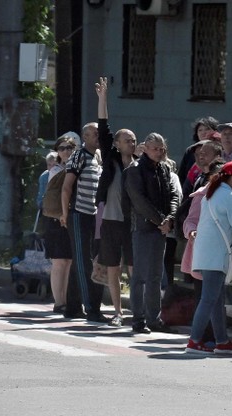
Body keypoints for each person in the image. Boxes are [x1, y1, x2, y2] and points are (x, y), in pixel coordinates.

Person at [185, 161, 232, 354]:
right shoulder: (231, 196)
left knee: (214, 298)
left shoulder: (210, 194)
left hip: (205, 252)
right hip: (218, 254)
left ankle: (222, 340)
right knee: (209, 299)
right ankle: (194, 340)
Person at [122, 133, 180, 334]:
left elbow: (173, 195)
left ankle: (153, 318)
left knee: (155, 276)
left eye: (162, 149)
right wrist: (160, 220)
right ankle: (138, 319)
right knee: (140, 276)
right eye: (155, 148)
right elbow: (139, 201)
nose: (159, 152)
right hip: (143, 228)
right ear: (145, 148)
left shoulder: (164, 168)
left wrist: (170, 218)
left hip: (160, 228)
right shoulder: (134, 170)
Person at [94, 77, 136, 327]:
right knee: (112, 267)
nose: (131, 143)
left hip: (131, 222)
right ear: (117, 143)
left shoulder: (141, 164)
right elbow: (102, 128)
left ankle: (136, 310)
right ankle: (118, 312)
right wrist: (103, 99)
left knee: (132, 267)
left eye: (133, 140)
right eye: (126, 140)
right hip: (110, 220)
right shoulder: (111, 159)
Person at [60, 121, 103, 320]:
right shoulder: (78, 156)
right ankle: (91, 309)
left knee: (82, 262)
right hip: (78, 214)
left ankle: (72, 307)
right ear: (84, 137)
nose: (98, 136)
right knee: (83, 262)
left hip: (92, 215)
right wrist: (64, 213)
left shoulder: (98, 157)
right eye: (94, 134)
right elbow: (67, 186)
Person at [44, 136, 76, 313]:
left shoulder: (77, 168)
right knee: (59, 262)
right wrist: (61, 215)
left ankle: (66, 299)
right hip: (56, 220)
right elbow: (55, 198)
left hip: (71, 219)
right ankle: (59, 301)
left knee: (69, 261)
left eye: (69, 147)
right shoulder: (55, 170)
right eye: (62, 148)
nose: (66, 151)